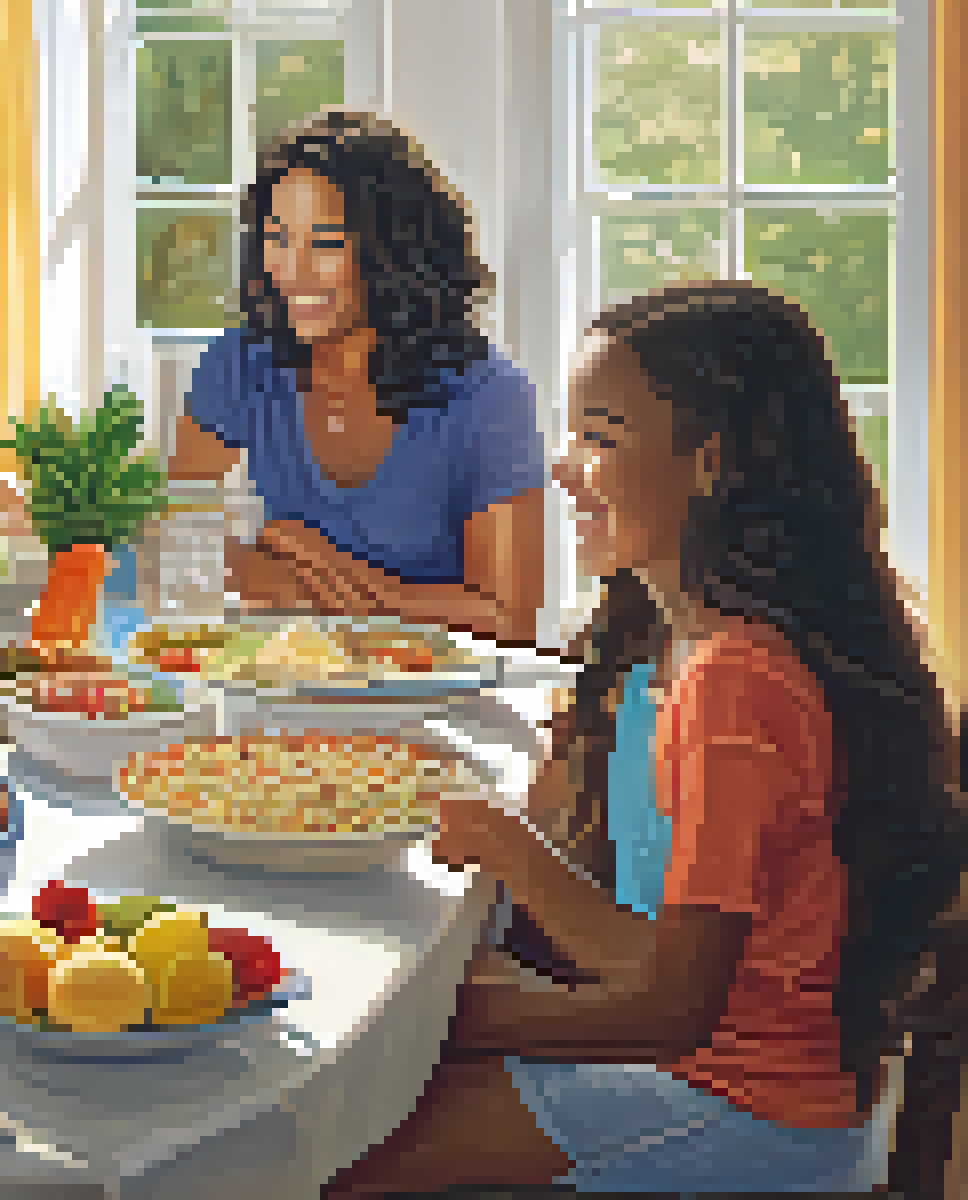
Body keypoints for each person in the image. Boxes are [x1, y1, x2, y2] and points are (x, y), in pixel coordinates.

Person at [324, 280, 966, 1196]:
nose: (562, 466)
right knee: (390, 1084)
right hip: (728, 1068)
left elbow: (671, 1010)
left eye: (600, 438)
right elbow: (660, 955)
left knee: (336, 1159)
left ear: (709, 462)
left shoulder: (733, 686)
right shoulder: (674, 642)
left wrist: (447, 1007)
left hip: (741, 1108)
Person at [163, 110, 546, 645]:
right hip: (291, 688)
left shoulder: (490, 394)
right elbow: (178, 543)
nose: (291, 272)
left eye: (325, 244)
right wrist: (269, 570)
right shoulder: (241, 363)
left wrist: (323, 565)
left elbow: (508, 619)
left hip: (440, 701)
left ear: (395, 254)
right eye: (277, 239)